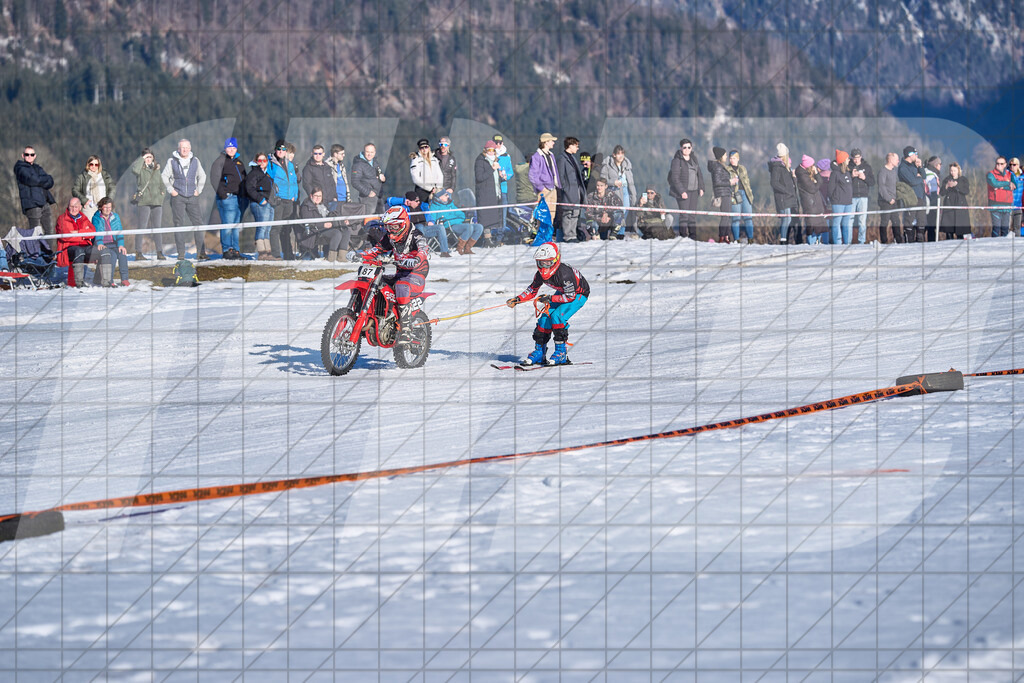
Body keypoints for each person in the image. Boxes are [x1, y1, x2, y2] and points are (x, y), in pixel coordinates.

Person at [505, 242, 590, 366]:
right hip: (562, 293)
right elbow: (532, 290)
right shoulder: (539, 275)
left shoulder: (564, 274)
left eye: (548, 262)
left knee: (557, 317)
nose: (544, 266)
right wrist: (517, 299)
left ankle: (561, 353)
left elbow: (570, 297)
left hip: (578, 294)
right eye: (541, 262)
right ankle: (540, 352)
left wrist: (550, 298)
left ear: (555, 260)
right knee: (545, 318)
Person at [361, 205, 431, 318]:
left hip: (416, 274)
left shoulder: (416, 235)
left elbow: (423, 249)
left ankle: (406, 327)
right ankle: (381, 316)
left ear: (403, 224)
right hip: (400, 273)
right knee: (376, 282)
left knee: (401, 286)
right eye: (388, 227)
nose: (391, 231)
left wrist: (416, 260)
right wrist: (360, 255)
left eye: (394, 227)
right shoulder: (390, 237)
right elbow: (377, 249)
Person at [161, 139, 208, 259]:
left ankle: (201, 253)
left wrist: (199, 190)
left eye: (187, 147)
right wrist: (171, 190)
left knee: (198, 224)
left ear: (190, 148)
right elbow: (164, 176)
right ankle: (181, 254)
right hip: (178, 197)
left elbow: (202, 176)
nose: (185, 149)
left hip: (192, 196)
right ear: (178, 149)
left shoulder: (195, 160)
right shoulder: (172, 161)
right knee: (178, 224)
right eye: (182, 147)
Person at [210, 137, 247, 259]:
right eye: (229, 147)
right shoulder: (220, 161)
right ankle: (227, 249)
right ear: (225, 148)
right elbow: (214, 178)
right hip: (227, 197)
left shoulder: (238, 162)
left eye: (233, 147)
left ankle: (236, 250)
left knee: (236, 226)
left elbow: (244, 179)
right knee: (228, 224)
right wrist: (223, 194)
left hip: (239, 198)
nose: (231, 150)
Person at [14, 145, 56, 248]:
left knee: (49, 231)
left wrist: (39, 180)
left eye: (31, 154)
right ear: (23, 155)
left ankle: (49, 254)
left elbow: (50, 181)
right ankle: (36, 255)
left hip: (44, 202)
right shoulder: (20, 168)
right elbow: (32, 179)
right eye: (27, 154)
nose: (29, 156)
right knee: (35, 233)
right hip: (32, 205)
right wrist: (42, 180)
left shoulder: (38, 168)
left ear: (35, 156)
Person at [130, 148, 167, 259]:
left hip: (157, 202)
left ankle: (159, 252)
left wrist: (162, 196)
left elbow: (161, 184)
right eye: (146, 157)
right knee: (142, 226)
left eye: (150, 157)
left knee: (157, 227)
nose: (148, 159)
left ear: (153, 158)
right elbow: (134, 170)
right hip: (144, 202)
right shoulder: (140, 169)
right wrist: (142, 159)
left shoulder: (157, 169)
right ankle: (138, 252)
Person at [299, 186, 351, 261]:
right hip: (314, 231)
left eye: (319, 196)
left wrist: (342, 221)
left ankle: (342, 257)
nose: (318, 198)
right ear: (311, 196)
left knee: (346, 231)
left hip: (326, 227)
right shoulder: (306, 207)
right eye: (316, 196)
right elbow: (308, 222)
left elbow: (330, 216)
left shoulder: (323, 206)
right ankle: (331, 257)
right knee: (336, 233)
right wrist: (323, 225)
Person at [267, 139, 300, 259]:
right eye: (279, 149)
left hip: (289, 200)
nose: (281, 151)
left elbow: (294, 182)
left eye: (283, 149)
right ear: (275, 150)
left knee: (287, 228)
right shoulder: (271, 163)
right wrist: (273, 197)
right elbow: (268, 181)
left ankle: (288, 253)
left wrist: (294, 197)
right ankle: (276, 254)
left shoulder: (289, 164)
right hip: (278, 200)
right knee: (276, 228)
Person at [668, 139, 704, 240]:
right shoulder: (676, 161)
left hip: (694, 191)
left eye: (689, 147)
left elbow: (699, 174)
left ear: (691, 148)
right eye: (685, 147)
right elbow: (675, 178)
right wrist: (682, 191)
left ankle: (693, 237)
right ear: (681, 148)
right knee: (684, 215)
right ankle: (683, 236)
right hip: (683, 191)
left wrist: (701, 187)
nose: (687, 149)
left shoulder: (694, 159)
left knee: (692, 215)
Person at [427, 189, 483, 254]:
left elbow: (462, 215)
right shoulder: (434, 207)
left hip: (457, 223)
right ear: (440, 197)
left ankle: (467, 248)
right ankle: (459, 248)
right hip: (447, 226)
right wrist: (453, 219)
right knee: (469, 227)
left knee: (479, 227)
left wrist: (455, 219)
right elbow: (433, 219)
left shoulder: (450, 204)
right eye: (446, 195)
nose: (448, 196)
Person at [245, 153, 279, 261]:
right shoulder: (254, 173)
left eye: (264, 161)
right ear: (256, 162)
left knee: (267, 228)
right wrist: (260, 199)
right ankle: (261, 252)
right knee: (262, 227)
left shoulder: (266, 174)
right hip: (259, 204)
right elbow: (249, 188)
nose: (262, 163)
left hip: (269, 203)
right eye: (259, 161)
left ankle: (268, 252)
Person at [55, 197, 95, 288]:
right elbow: (66, 237)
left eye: (76, 207)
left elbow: (92, 232)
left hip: (84, 246)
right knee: (79, 251)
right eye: (71, 206)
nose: (73, 209)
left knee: (103, 251)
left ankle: (105, 282)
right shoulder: (62, 219)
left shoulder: (84, 218)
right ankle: (78, 283)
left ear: (80, 207)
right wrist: (84, 236)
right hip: (68, 248)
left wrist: (77, 232)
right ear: (68, 207)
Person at [90, 197, 129, 286]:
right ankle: (109, 280)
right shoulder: (96, 218)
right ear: (101, 207)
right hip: (103, 244)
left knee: (122, 253)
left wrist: (121, 245)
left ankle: (124, 279)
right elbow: (97, 231)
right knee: (113, 255)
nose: (107, 209)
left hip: (113, 243)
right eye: (105, 207)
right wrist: (99, 243)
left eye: (109, 207)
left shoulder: (115, 217)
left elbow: (119, 231)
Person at [602, 145, 638, 237]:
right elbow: (602, 179)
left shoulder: (627, 165)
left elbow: (631, 182)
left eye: (622, 153)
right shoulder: (607, 165)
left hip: (626, 191)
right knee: (616, 213)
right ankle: (615, 231)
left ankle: (620, 232)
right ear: (614, 155)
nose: (621, 156)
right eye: (618, 154)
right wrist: (613, 182)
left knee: (624, 211)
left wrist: (633, 194)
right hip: (613, 191)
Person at [556, 137, 586, 242]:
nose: (578, 148)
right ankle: (568, 236)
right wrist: (565, 188)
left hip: (576, 189)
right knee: (567, 213)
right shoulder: (562, 158)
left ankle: (573, 235)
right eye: (576, 146)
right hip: (569, 190)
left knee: (575, 213)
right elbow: (560, 175)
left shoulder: (573, 158)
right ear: (571, 145)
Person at [474, 140, 504, 238]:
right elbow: (480, 177)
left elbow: (493, 177)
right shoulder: (480, 161)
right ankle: (487, 239)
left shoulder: (495, 161)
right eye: (489, 150)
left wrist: (501, 176)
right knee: (485, 217)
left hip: (495, 192)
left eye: (493, 150)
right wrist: (492, 169)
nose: (491, 152)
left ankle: (493, 237)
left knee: (493, 217)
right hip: (484, 193)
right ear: (485, 150)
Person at [796, 156, 829, 245]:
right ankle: (811, 244)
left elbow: (817, 184)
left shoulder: (805, 173)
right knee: (812, 226)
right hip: (810, 205)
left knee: (819, 226)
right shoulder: (802, 175)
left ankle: (817, 242)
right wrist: (817, 174)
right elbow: (813, 188)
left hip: (815, 203)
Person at [72, 155, 115, 221]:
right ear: (88, 164)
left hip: (104, 206)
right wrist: (84, 200)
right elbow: (75, 190)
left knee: (104, 227)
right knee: (90, 228)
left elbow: (112, 188)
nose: (94, 166)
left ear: (99, 165)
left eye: (96, 164)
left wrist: (108, 201)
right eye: (91, 164)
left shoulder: (104, 175)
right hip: (89, 207)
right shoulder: (82, 177)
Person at [707, 146, 735, 243]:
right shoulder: (717, 167)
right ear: (721, 156)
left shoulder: (720, 166)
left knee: (727, 216)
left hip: (726, 193)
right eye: (725, 155)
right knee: (725, 216)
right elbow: (717, 182)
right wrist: (730, 182)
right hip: (722, 194)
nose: (727, 156)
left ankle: (726, 236)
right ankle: (722, 236)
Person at [898, 146, 926, 242]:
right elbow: (912, 181)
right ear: (910, 155)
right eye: (915, 154)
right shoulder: (903, 168)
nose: (917, 156)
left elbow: (924, 176)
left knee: (921, 220)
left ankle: (920, 241)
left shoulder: (915, 165)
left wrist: (920, 167)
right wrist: (919, 178)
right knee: (909, 220)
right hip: (910, 198)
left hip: (920, 196)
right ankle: (909, 241)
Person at [529, 133, 560, 216]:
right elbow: (532, 175)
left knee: (552, 216)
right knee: (543, 217)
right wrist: (541, 188)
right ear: (546, 142)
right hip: (544, 191)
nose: (553, 143)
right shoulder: (536, 156)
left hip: (553, 189)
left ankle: (550, 230)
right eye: (552, 141)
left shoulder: (551, 155)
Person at [351, 142, 386, 216]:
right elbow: (354, 181)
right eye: (367, 152)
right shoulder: (358, 164)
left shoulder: (375, 162)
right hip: (367, 199)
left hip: (379, 197)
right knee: (369, 222)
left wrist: (382, 178)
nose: (369, 154)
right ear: (364, 151)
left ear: (375, 152)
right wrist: (368, 192)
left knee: (382, 221)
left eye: (372, 152)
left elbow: (378, 175)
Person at [728, 150, 755, 244]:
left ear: (738, 159)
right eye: (730, 158)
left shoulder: (743, 168)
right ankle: (736, 239)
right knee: (736, 218)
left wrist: (750, 194)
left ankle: (750, 239)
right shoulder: (727, 169)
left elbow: (747, 182)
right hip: (734, 194)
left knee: (748, 218)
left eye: (734, 158)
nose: (732, 160)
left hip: (745, 194)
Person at [939, 162, 971, 239]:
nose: (952, 172)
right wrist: (947, 186)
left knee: (960, 231)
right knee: (949, 231)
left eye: (954, 170)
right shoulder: (946, 179)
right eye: (951, 170)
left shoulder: (963, 180)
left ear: (958, 171)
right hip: (949, 207)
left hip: (960, 206)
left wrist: (957, 185)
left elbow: (966, 191)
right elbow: (942, 193)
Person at [828, 149, 854, 244]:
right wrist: (833, 200)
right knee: (836, 223)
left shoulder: (847, 172)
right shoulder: (835, 173)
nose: (849, 160)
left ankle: (846, 243)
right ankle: (837, 243)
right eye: (847, 159)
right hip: (838, 203)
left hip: (848, 203)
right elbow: (830, 189)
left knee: (846, 224)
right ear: (843, 161)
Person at [849, 149, 875, 244]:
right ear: (851, 158)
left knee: (862, 220)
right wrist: (851, 176)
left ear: (861, 157)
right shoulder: (848, 167)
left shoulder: (867, 167)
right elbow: (843, 182)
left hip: (863, 197)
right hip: (851, 197)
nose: (856, 160)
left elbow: (872, 182)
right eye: (854, 158)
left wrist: (864, 178)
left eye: (858, 158)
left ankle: (862, 240)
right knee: (850, 220)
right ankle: (848, 240)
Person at [876, 152, 903, 244]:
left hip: (894, 201)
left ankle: (898, 240)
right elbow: (881, 187)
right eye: (896, 159)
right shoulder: (882, 171)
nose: (898, 161)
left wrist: (897, 199)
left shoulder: (893, 172)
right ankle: (884, 241)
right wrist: (888, 199)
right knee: (884, 222)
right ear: (891, 160)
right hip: (885, 202)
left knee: (896, 222)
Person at [987, 156, 1015, 238]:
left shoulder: (1010, 175)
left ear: (1005, 164)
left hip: (1007, 205)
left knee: (1005, 229)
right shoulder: (990, 174)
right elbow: (994, 183)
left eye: (1001, 163)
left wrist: (1001, 186)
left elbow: (1014, 186)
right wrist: (1007, 184)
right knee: (996, 228)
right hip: (995, 205)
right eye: (997, 163)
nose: (999, 165)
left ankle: (1004, 248)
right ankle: (994, 246)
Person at [410, 138, 444, 203]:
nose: (424, 149)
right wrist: (430, 188)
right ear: (419, 149)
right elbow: (416, 179)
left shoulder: (434, 159)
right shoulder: (415, 160)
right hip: (422, 192)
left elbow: (440, 175)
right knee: (424, 210)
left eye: (426, 147)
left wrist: (437, 188)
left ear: (429, 148)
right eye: (422, 148)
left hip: (435, 191)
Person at [493, 134, 515, 227]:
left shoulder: (506, 156)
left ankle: (501, 235)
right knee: (493, 213)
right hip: (493, 189)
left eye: (500, 143)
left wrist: (506, 176)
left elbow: (511, 171)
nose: (498, 145)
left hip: (503, 189)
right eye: (496, 143)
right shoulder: (490, 155)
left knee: (503, 214)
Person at [328, 144, 350, 210]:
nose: (344, 155)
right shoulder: (327, 166)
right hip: (334, 200)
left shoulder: (341, 166)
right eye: (342, 154)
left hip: (344, 199)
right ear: (335, 154)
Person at [1008, 158, 1023, 236]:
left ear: (1018, 166)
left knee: (1017, 227)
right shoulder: (1007, 175)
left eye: (1014, 164)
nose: (1012, 166)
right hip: (1008, 206)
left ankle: (1017, 244)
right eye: (1010, 165)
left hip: (1019, 206)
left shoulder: (1022, 176)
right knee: (1007, 227)